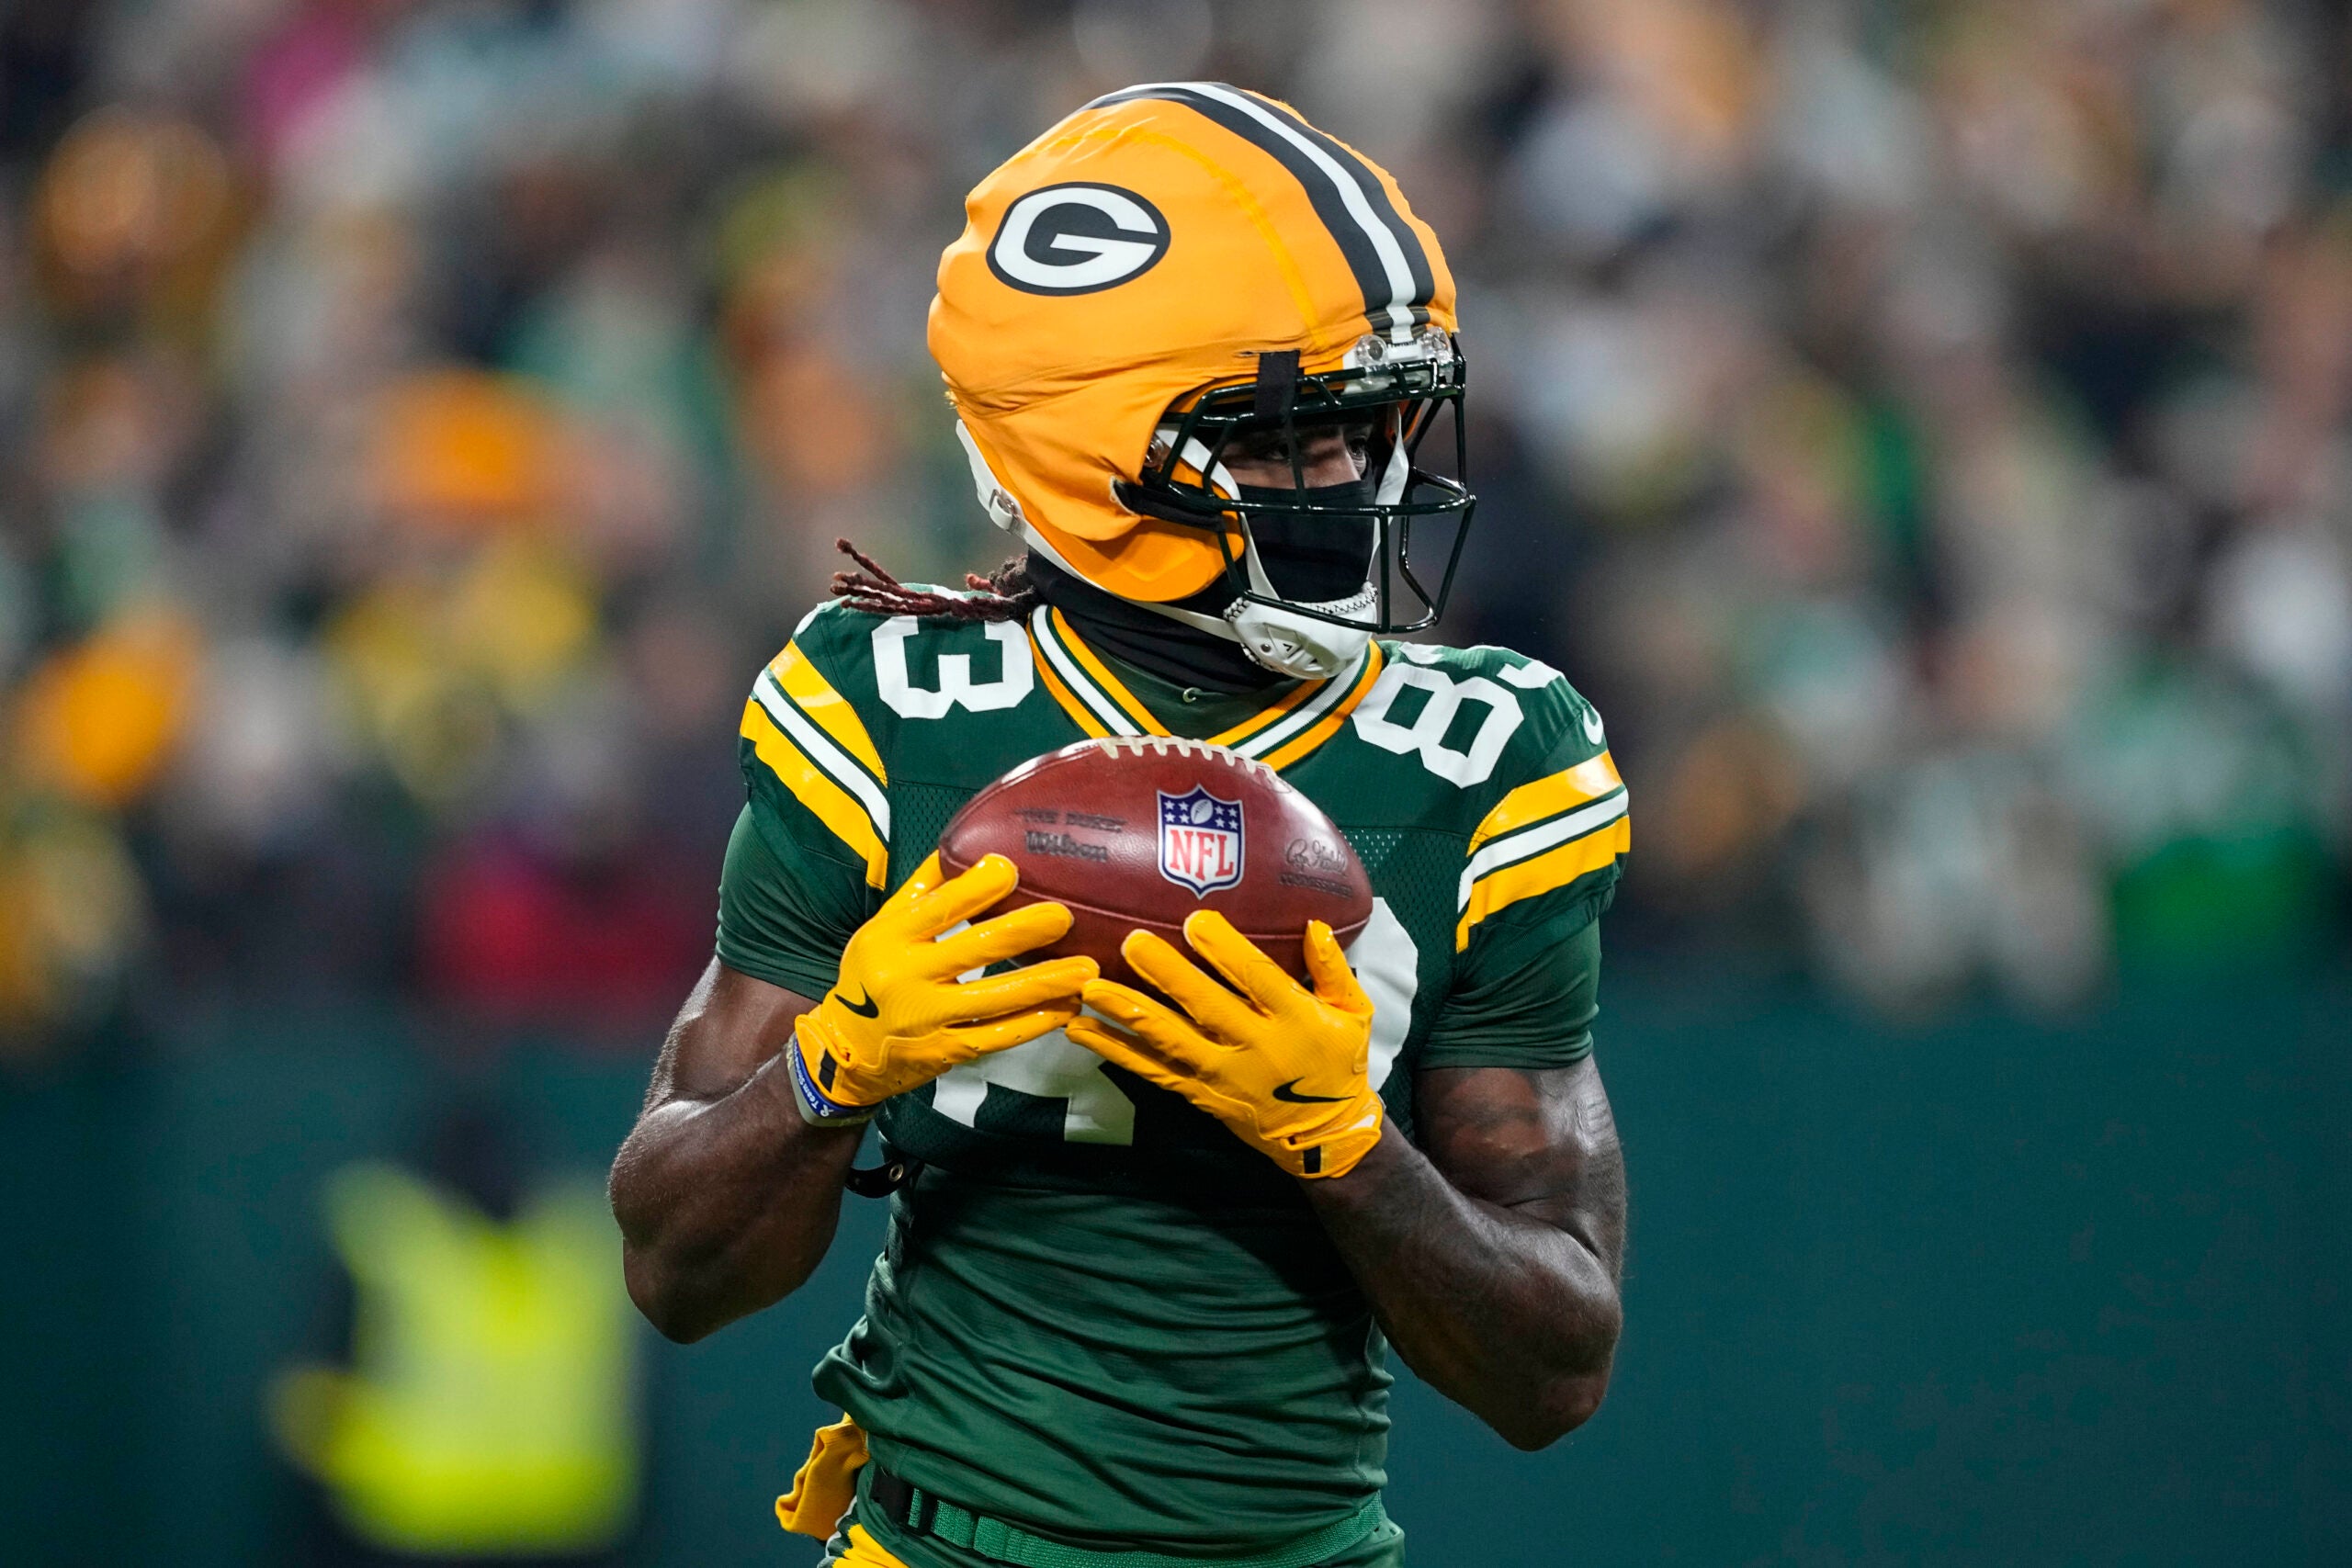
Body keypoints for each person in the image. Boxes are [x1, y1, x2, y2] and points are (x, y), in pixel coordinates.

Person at [608, 83, 1630, 1568]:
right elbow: (674, 1271)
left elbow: (1558, 1370)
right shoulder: (883, 708)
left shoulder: (1480, 757)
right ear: (1100, 457)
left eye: (1378, 424)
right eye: (1290, 439)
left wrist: (1350, 1149)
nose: (1359, 483)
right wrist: (829, 1073)